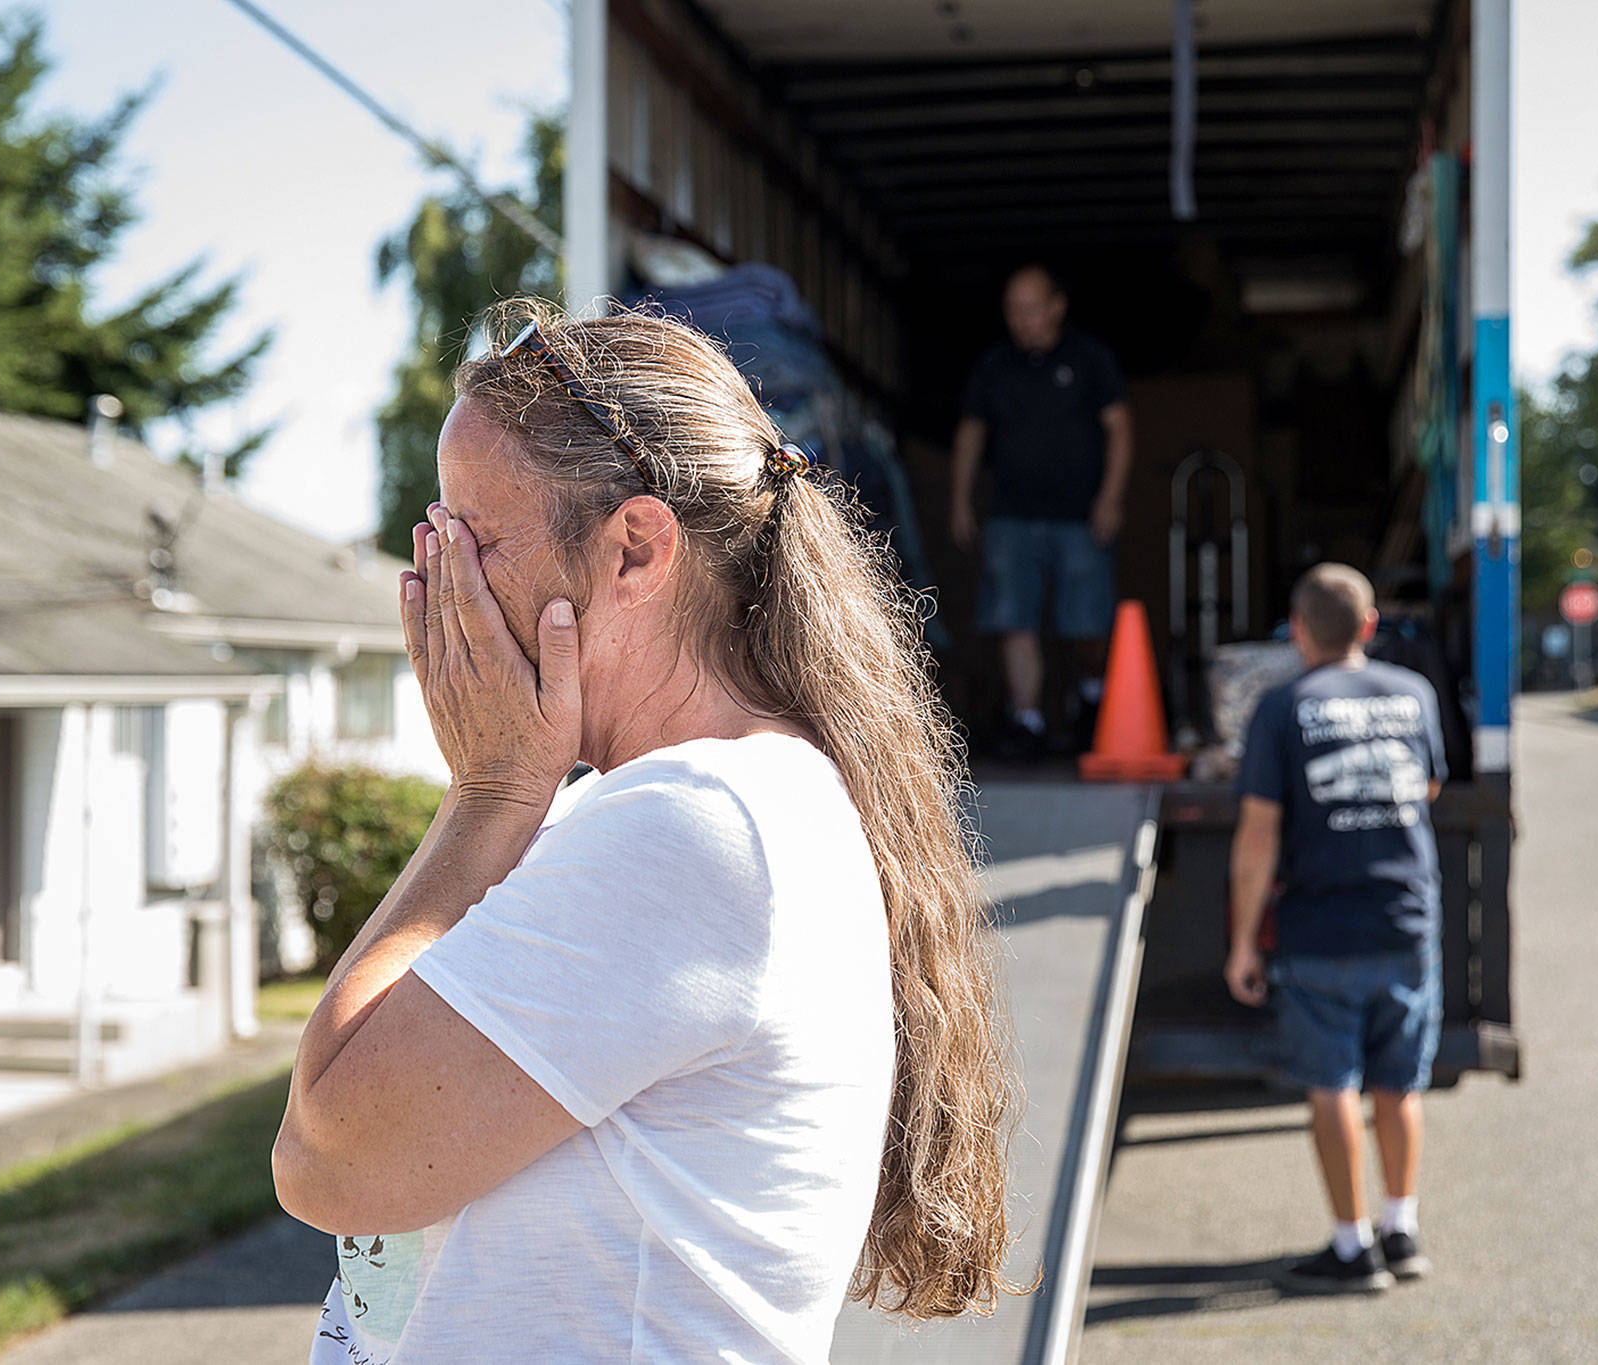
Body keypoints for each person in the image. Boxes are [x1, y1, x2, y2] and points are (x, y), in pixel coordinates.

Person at [272, 300, 1023, 1363]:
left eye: (472, 536)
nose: (440, 578)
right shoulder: (661, 809)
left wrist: (487, 792)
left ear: (632, 549)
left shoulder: (697, 829)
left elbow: (330, 1157)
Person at [1225, 563, 1448, 1295]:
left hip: (1321, 928)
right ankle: (1402, 1228)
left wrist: (1240, 941)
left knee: (1332, 1089)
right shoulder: (1414, 695)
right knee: (1399, 1086)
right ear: (1371, 626)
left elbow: (1259, 834)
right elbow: (1429, 785)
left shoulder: (1283, 706)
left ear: (1296, 631)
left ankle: (1352, 1248)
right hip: (1406, 918)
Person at [950, 264, 1133, 754]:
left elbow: (1120, 429)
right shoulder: (994, 365)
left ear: (1057, 306)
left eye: (1031, 309)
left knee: (1086, 624)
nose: (1021, 320)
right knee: (1015, 619)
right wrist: (960, 500)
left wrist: (1110, 498)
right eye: (1013, 310)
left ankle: (1092, 702)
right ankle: (1028, 719)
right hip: (1011, 515)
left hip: (1080, 515)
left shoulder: (1090, 359)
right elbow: (971, 432)